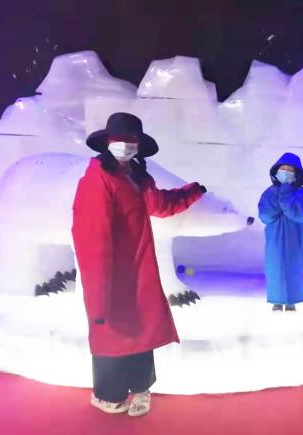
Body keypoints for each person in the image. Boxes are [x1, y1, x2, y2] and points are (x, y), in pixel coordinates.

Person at [72, 112, 206, 416]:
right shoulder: (97, 179)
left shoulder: (136, 175)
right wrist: (99, 288)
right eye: (119, 139)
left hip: (137, 268)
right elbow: (91, 235)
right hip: (109, 272)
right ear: (107, 142)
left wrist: (192, 192)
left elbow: (159, 205)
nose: (124, 145)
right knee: (111, 329)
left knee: (141, 325)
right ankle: (108, 394)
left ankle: (142, 388)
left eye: (131, 140)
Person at [258, 153, 303, 312]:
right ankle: (276, 300)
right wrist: (281, 203)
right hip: (274, 238)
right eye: (283, 168)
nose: (286, 172)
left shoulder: (300, 193)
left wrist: (286, 197)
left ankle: (291, 301)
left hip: (295, 238)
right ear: (276, 171)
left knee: (293, 267)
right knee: (274, 267)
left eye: (290, 169)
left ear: (296, 174)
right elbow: (265, 215)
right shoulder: (269, 192)